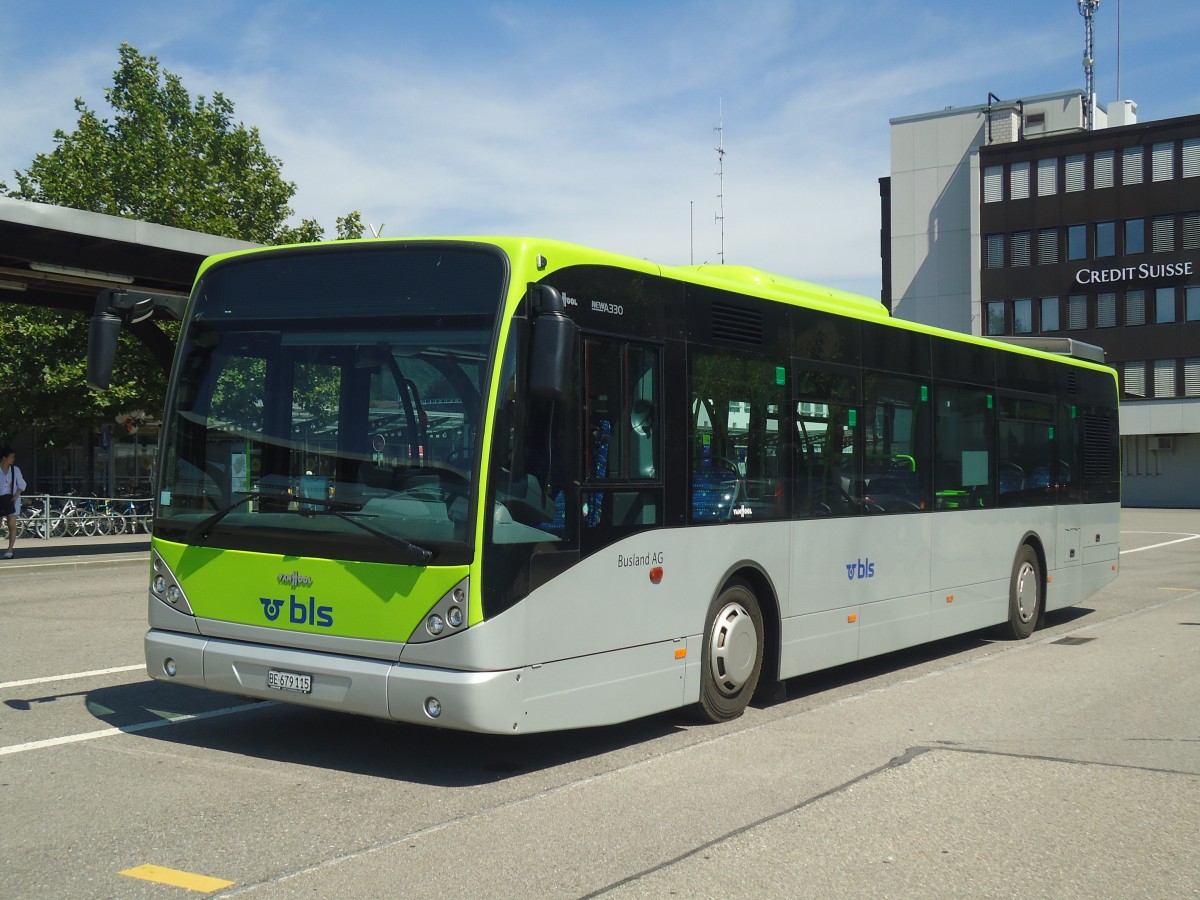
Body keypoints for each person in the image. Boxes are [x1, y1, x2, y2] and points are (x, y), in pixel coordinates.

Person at [1, 445, 26, 559]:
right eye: (11, 457)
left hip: (12, 499)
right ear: (4, 458)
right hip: (1, 499)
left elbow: (22, 484)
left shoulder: (15, 470)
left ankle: (10, 550)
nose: (13, 459)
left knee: (11, 524)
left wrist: (16, 495)